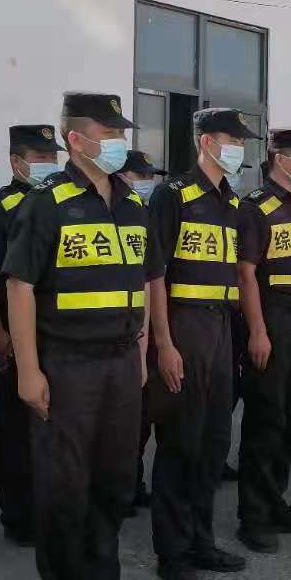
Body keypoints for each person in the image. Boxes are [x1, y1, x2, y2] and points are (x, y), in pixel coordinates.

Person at [3, 92, 160, 580]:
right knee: (65, 487)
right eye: (108, 133)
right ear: (76, 140)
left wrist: (143, 352)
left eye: (120, 133)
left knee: (114, 482)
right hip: (68, 363)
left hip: (121, 362)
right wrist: (28, 370)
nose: (118, 142)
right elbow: (19, 287)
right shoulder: (47, 203)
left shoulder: (132, 203)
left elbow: (145, 282)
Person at [145, 108, 258, 580]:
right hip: (183, 328)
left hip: (220, 329)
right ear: (207, 142)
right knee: (180, 442)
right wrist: (163, 343)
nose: (239, 149)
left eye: (242, 142)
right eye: (233, 140)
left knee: (213, 442)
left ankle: (201, 540)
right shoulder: (172, 195)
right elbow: (154, 274)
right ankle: (172, 553)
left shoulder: (231, 201)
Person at [0, 124, 63, 545]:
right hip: (11, 336)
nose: (49, 164)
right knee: (14, 433)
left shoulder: (62, 202)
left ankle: (53, 509)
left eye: (52, 157)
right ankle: (19, 516)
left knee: (54, 430)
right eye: (40, 158)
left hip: (55, 337)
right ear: (16, 162)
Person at [233, 127, 291, 553]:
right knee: (265, 419)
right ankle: (253, 515)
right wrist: (257, 331)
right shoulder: (257, 207)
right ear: (280, 158)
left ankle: (275, 500)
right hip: (274, 321)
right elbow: (245, 273)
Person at [118, 150, 166, 516]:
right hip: (123, 335)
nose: (146, 182)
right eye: (140, 176)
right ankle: (122, 488)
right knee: (124, 422)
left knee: (144, 417)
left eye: (150, 176)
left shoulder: (146, 215)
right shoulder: (118, 216)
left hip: (148, 333)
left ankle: (133, 484)